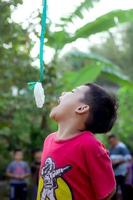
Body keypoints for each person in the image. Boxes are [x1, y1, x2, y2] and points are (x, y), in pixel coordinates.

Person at [37, 83, 117, 200]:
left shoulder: (88, 144)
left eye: (73, 91)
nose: (63, 93)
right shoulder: (49, 140)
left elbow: (108, 191)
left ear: (81, 108)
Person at [108, 135, 131, 200]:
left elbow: (128, 157)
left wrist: (118, 161)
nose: (111, 143)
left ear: (116, 140)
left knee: (124, 190)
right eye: (110, 142)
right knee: (114, 191)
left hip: (123, 173)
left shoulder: (121, 147)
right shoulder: (111, 148)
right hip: (114, 173)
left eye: (112, 141)